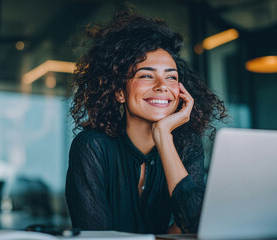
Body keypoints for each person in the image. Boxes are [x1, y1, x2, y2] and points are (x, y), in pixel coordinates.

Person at [65, 10, 227, 235]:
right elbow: (96, 237)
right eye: (146, 75)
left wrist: (163, 135)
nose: (162, 85)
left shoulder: (185, 144)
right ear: (119, 91)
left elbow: (196, 225)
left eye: (171, 77)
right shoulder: (91, 146)